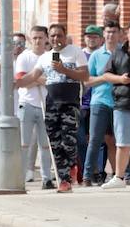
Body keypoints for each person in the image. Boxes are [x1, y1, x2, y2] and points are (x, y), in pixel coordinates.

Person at [23, 22, 88, 193]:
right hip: (52, 104)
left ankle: (72, 165)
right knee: (55, 144)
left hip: (70, 103)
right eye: (52, 36)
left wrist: (63, 69)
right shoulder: (45, 57)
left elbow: (85, 75)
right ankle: (64, 180)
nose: (56, 39)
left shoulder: (75, 52)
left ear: (65, 36)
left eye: (59, 35)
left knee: (68, 141)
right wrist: (16, 83)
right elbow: (33, 76)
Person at [103, 21, 130, 188]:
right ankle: (119, 177)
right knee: (122, 143)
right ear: (126, 34)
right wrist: (120, 79)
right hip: (122, 104)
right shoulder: (118, 53)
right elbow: (107, 75)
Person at [14, 27, 56, 189]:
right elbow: (20, 80)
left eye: (40, 37)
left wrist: (33, 77)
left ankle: (47, 179)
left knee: (45, 145)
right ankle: (21, 179)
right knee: (24, 144)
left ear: (46, 38)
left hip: (46, 104)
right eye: (34, 38)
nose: (37, 41)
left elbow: (55, 79)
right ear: (30, 39)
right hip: (27, 104)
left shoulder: (53, 55)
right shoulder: (24, 57)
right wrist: (40, 78)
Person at [82, 25, 118, 186]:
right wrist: (105, 77)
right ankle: (87, 176)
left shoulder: (122, 53)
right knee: (95, 140)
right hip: (99, 102)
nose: (111, 35)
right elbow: (87, 81)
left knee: (115, 141)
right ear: (104, 35)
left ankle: (120, 174)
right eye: (108, 32)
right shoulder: (96, 55)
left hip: (119, 103)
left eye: (114, 32)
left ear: (120, 34)